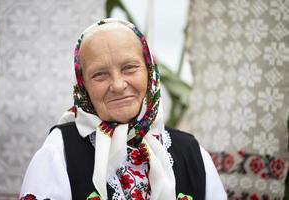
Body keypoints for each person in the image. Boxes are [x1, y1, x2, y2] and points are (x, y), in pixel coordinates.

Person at [20, 18, 226, 200]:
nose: (118, 85)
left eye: (130, 68)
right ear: (83, 85)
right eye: (100, 74)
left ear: (149, 71)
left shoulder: (190, 151)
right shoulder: (59, 151)